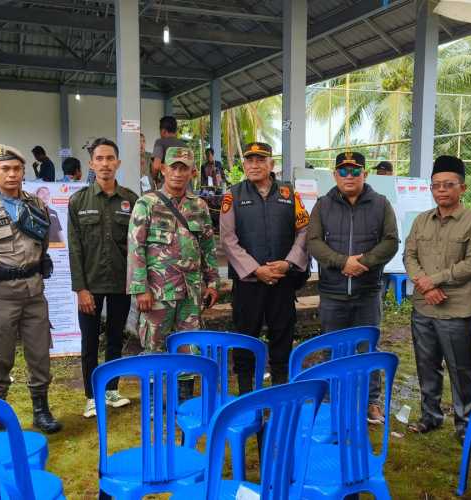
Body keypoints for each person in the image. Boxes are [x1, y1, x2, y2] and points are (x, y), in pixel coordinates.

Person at [0, 143, 63, 434]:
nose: (11, 174)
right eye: (4, 169)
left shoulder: (37, 205)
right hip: (0, 296)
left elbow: (43, 244)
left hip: (34, 294)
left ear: (23, 172)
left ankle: (41, 409)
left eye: (17, 169)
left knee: (39, 355)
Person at [403, 155, 471, 446]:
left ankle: (466, 424)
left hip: (458, 308)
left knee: (460, 369)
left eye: (448, 185)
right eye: (436, 185)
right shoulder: (421, 221)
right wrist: (426, 287)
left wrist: (435, 280)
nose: (441, 190)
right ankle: (430, 416)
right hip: (424, 306)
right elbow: (410, 256)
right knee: (426, 364)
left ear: (462, 188)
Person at [306, 151, 399, 424]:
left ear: (365, 174)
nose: (349, 176)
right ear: (335, 175)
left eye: (355, 171)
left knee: (368, 348)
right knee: (331, 346)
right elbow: (313, 241)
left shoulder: (381, 204)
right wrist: (342, 262)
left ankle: (371, 402)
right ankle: (330, 397)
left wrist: (364, 263)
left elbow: (391, 241)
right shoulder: (323, 205)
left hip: (367, 291)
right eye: (343, 171)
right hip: (332, 291)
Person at [221, 142, 309, 391]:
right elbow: (228, 239)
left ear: (272, 164)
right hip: (249, 282)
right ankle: (246, 391)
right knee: (245, 336)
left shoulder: (290, 194)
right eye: (250, 160)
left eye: (261, 160)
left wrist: (288, 263)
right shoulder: (233, 194)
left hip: (283, 280)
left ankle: (280, 387)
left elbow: (304, 230)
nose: (254, 165)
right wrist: (255, 269)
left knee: (282, 335)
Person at [68, 138, 138, 418]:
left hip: (122, 283)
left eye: (110, 158)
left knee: (114, 338)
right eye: (100, 159)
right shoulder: (78, 201)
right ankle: (90, 395)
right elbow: (74, 248)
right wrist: (80, 289)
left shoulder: (131, 200)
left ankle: (111, 389)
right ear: (92, 163)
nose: (105, 164)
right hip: (91, 285)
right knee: (89, 343)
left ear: (118, 163)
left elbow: (137, 245)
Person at [127, 146, 219, 357]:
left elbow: (207, 247)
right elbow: (135, 248)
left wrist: (213, 283)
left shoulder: (200, 206)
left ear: (192, 172)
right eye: (173, 168)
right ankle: (153, 390)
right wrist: (140, 289)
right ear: (163, 170)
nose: (178, 174)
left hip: (191, 292)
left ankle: (185, 390)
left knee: (189, 348)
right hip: (158, 293)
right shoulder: (147, 204)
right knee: (153, 348)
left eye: (183, 169)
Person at [150, 115, 187, 182]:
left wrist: (154, 178)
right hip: (185, 188)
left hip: (169, 188)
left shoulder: (160, 142)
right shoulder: (185, 146)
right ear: (175, 131)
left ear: (163, 131)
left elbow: (156, 166)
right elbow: (194, 171)